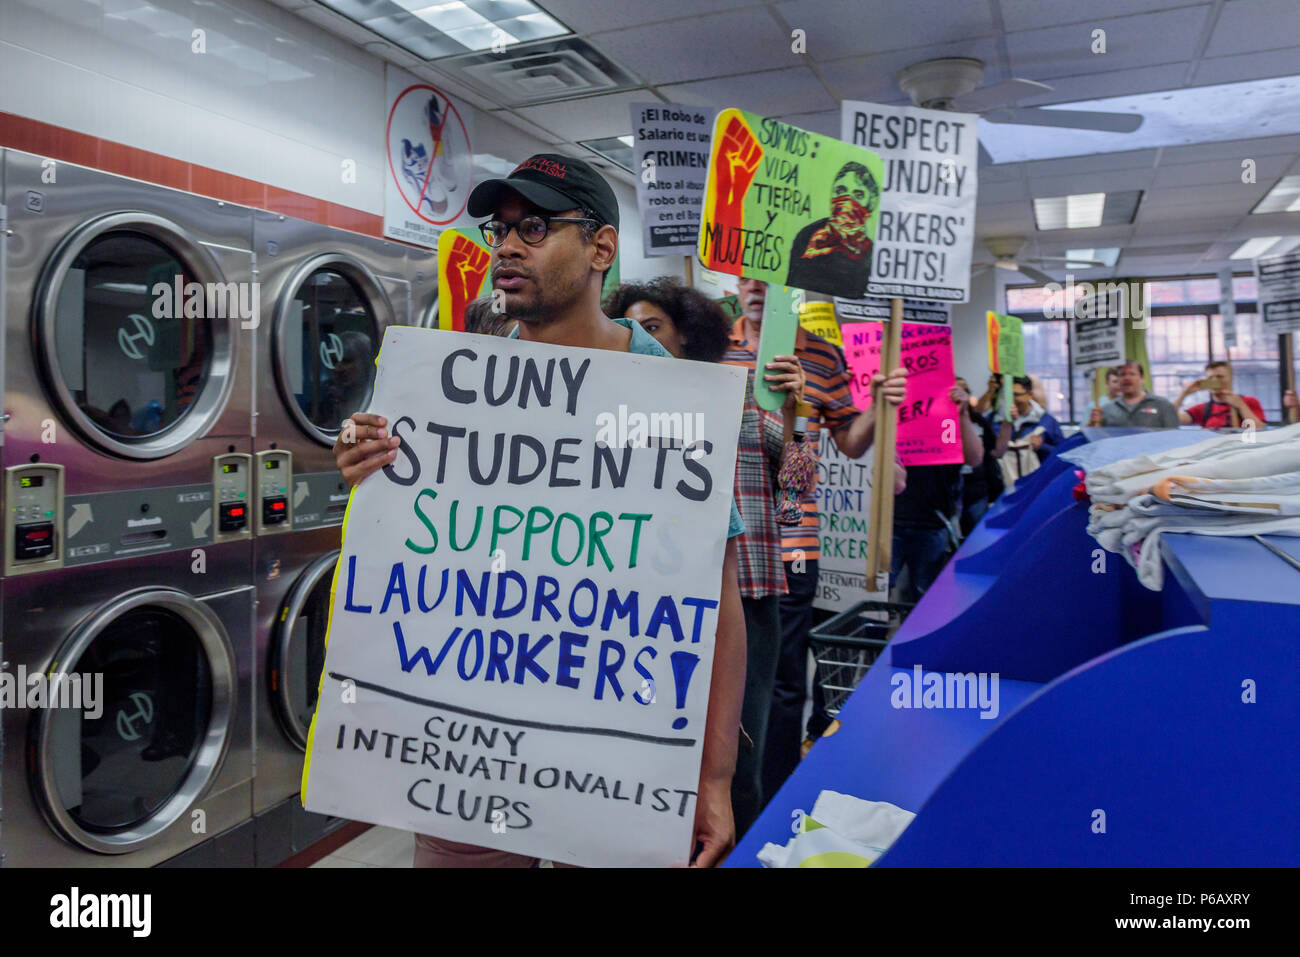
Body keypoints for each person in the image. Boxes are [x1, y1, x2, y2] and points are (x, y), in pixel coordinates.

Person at [332, 153, 748, 868]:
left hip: (618, 756)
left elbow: (720, 597)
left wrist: (713, 777)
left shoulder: (679, 399)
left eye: (535, 227)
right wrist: (363, 460)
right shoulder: (453, 384)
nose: (507, 245)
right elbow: (408, 541)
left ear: (601, 248)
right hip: (469, 758)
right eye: (501, 229)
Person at [605, 276, 795, 836]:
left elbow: (800, 486)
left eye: (654, 327)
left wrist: (793, 410)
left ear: (687, 337)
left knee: (738, 760)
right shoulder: (610, 410)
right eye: (629, 328)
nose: (640, 337)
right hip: (651, 608)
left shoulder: (735, 397)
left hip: (747, 602)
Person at [722, 279, 906, 803]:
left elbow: (846, 444)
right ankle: (724, 792)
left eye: (768, 277)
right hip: (726, 540)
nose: (755, 286)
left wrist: (879, 405)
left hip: (791, 539)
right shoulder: (712, 343)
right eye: (747, 276)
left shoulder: (822, 356)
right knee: (724, 675)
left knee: (782, 682)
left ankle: (771, 797)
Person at [891, 383, 985, 603]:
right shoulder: (895, 416)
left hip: (932, 522)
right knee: (880, 597)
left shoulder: (947, 426)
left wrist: (961, 415)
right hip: (890, 522)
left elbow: (974, 458)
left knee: (925, 601)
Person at [784, 162, 879, 299]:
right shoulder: (808, 236)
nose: (847, 201)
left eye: (858, 195)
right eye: (840, 191)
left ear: (871, 202)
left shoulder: (870, 253)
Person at [603, 278, 731, 363]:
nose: (639, 338)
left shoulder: (721, 388)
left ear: (683, 333)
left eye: (651, 328)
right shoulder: (621, 394)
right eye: (630, 331)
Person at [954, 376, 1004, 536]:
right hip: (954, 491)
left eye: (966, 391)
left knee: (978, 536)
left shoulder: (979, 421)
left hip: (978, 491)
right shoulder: (945, 423)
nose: (962, 395)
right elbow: (948, 453)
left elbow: (994, 450)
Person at [994, 375, 1065, 484]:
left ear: (1030, 395)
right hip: (1003, 485)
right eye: (1008, 395)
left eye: (1016, 395)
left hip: (1038, 484)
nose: (1012, 400)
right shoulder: (995, 420)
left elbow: (1062, 453)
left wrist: (1042, 447)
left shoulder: (1046, 422)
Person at [1173, 360, 1266, 430]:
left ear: (1230, 378)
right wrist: (1185, 394)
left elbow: (1259, 430)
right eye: (1210, 378)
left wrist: (1241, 406)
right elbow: (1170, 419)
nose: (1214, 381)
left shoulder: (1249, 402)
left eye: (1220, 377)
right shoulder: (1202, 409)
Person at [1088, 360, 1181, 429]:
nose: (1127, 378)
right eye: (1122, 374)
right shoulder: (1106, 410)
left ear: (1142, 378)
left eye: (1132, 374)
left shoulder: (1163, 406)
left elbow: (1174, 440)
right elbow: (1097, 440)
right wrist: (1093, 423)